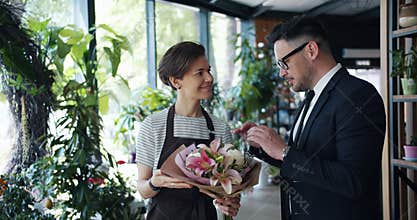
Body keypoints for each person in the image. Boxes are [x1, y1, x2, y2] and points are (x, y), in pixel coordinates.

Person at [234, 16, 386, 220]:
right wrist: (263, 143)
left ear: (311, 50)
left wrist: (284, 152)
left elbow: (354, 181)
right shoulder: (311, 96)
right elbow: (302, 163)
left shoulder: (357, 94)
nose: (281, 72)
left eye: (284, 62)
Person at [136, 41, 240, 220]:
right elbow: (143, 190)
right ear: (176, 81)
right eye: (200, 73)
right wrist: (154, 183)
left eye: (209, 70)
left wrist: (231, 202)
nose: (209, 78)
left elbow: (228, 187)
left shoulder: (219, 128)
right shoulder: (153, 126)